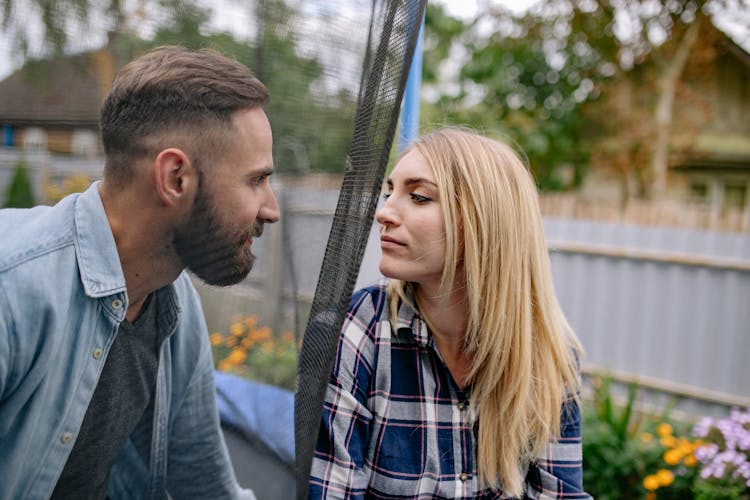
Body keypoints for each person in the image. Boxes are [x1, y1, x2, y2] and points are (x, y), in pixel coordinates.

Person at [0, 46, 280, 499]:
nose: (272, 210)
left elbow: (204, 483)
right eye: (256, 180)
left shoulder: (174, 303)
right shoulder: (13, 291)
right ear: (175, 178)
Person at [309, 128, 591, 499]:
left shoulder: (549, 353)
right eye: (389, 192)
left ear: (483, 222)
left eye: (419, 197)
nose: (384, 212)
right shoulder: (352, 332)